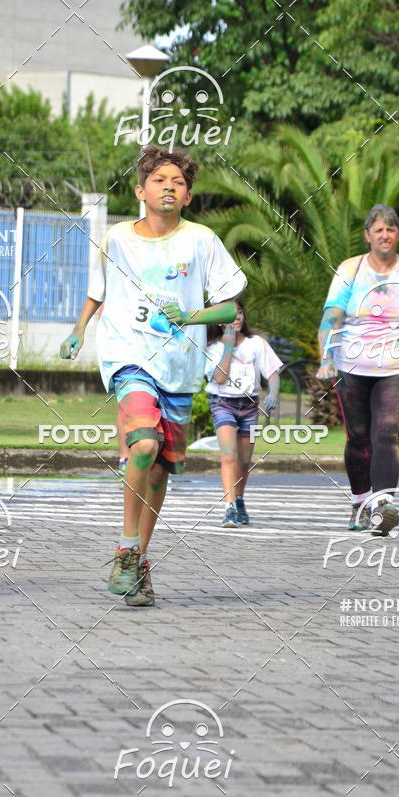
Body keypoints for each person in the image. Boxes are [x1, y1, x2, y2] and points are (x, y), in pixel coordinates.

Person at [60, 145, 246, 606]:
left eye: (178, 183)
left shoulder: (202, 240)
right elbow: (98, 290)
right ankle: (126, 549)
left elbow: (230, 308)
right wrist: (79, 329)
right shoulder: (117, 238)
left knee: (160, 470)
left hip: (180, 368)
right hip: (129, 357)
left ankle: (139, 562)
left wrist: (191, 315)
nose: (169, 187)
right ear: (140, 191)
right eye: (159, 180)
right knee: (143, 444)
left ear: (188, 197)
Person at [316, 204, 399, 536]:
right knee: (358, 438)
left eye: (391, 229)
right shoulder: (351, 269)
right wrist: (326, 359)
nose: (385, 235)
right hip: (352, 364)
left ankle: (382, 507)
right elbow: (331, 318)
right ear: (367, 235)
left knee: (386, 433)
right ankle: (360, 501)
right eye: (379, 230)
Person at [205, 298, 281, 527]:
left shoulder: (256, 343)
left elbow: (273, 373)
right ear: (220, 321)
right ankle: (229, 508)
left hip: (249, 406)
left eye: (239, 312)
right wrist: (228, 347)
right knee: (229, 456)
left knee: (244, 460)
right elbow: (219, 378)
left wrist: (274, 392)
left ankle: (239, 499)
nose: (237, 317)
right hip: (222, 403)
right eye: (230, 314)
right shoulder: (213, 348)